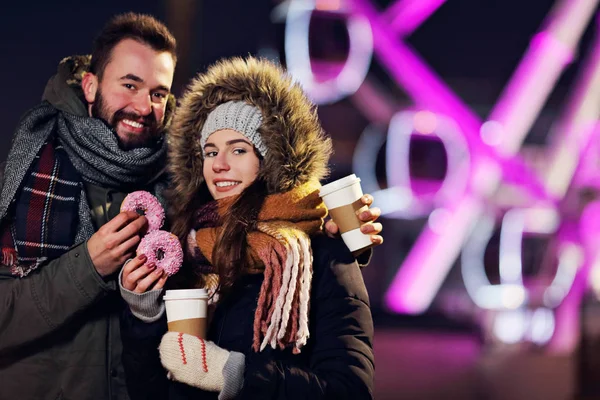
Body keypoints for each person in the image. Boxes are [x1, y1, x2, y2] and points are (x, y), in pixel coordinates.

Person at [119, 57, 375, 399]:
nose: (220, 165)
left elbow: (349, 391)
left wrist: (237, 376)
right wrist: (144, 315)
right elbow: (148, 390)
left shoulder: (321, 255)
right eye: (210, 152)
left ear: (270, 160)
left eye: (238, 150)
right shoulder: (186, 254)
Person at [0, 13, 177, 400]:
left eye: (158, 93)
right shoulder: (23, 175)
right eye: (129, 85)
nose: (144, 107)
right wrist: (88, 267)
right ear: (91, 86)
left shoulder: (180, 185)